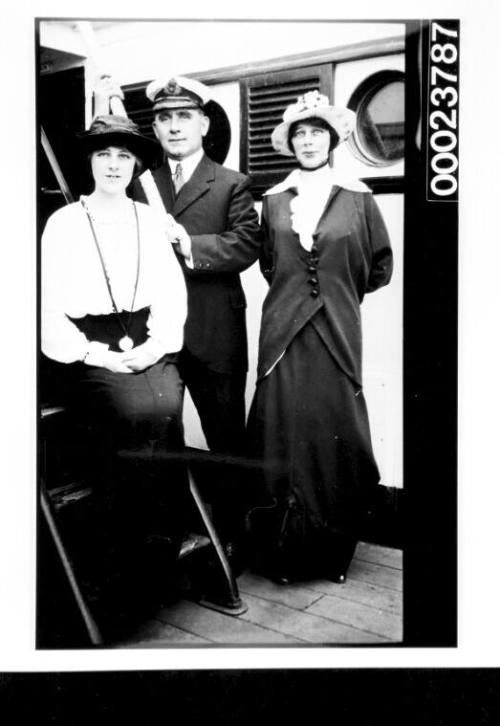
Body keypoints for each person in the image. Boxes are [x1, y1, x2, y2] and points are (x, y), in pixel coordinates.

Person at [41, 114, 189, 626]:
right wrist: (97, 354)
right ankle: (119, 585)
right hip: (87, 349)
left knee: (167, 406)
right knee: (127, 413)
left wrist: (155, 347)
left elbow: (172, 292)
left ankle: (159, 568)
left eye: (124, 156)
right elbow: (50, 307)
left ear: (135, 165)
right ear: (90, 161)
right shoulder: (63, 222)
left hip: (147, 340)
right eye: (104, 154)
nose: (113, 164)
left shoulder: (149, 220)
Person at [246, 91, 393, 584]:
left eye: (316, 133)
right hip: (284, 335)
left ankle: (330, 555)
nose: (308, 141)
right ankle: (282, 556)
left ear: (331, 140)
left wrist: (333, 291)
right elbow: (271, 264)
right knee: (282, 434)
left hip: (337, 333)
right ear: (290, 144)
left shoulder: (358, 197)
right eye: (299, 134)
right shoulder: (272, 200)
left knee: (336, 436)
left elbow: (379, 266)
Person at [124, 75, 261, 565]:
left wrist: (190, 246)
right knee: (157, 434)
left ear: (203, 123)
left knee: (225, 438)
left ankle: (234, 542)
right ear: (155, 129)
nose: (174, 126)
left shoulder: (231, 183)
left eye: (184, 116)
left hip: (213, 331)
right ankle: (170, 536)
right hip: (156, 334)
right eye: (164, 118)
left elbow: (246, 244)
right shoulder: (139, 184)